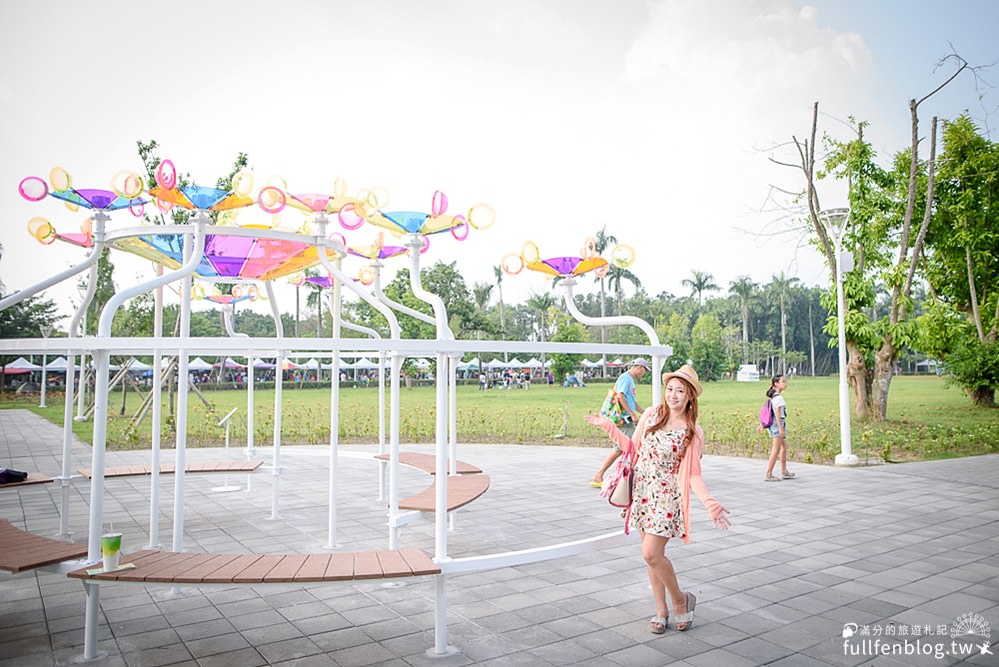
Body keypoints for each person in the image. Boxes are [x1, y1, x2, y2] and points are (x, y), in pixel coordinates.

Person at [585, 364, 730, 634]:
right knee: (653, 557)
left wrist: (710, 504)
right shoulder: (651, 415)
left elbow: (694, 474)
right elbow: (632, 448)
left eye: (680, 391)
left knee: (650, 553)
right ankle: (661, 610)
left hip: (666, 497)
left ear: (690, 397)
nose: (673, 395)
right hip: (642, 493)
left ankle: (680, 600)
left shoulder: (692, 430)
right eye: (670, 389)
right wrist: (608, 426)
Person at [590, 358, 648, 487]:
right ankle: (603, 475)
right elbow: (620, 397)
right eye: (644, 371)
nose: (644, 374)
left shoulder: (630, 380)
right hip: (624, 419)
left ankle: (600, 475)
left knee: (623, 448)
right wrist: (633, 414)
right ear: (639, 367)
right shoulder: (626, 378)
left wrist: (643, 412)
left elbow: (631, 401)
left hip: (625, 419)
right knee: (633, 446)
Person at [761, 374, 795, 481]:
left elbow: (769, 411)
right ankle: (768, 474)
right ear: (776, 384)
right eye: (783, 381)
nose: (785, 384)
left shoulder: (773, 397)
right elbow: (777, 414)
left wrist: (762, 424)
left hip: (775, 425)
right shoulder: (778, 398)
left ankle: (784, 471)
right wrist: (781, 429)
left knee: (784, 448)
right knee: (776, 450)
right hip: (778, 424)